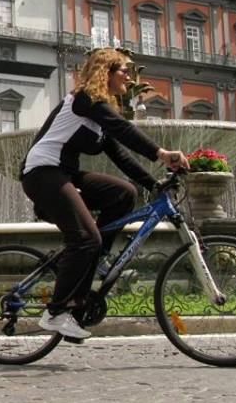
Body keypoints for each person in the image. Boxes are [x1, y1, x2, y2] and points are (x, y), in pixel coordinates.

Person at [20, 48, 189, 340]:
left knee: (124, 193)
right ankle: (56, 312)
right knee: (86, 238)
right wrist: (161, 153)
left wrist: (153, 185)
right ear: (105, 72)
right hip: (42, 173)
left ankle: (96, 258)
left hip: (64, 174)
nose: (129, 77)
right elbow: (124, 129)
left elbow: (120, 155)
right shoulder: (85, 99)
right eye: (124, 70)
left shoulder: (98, 115)